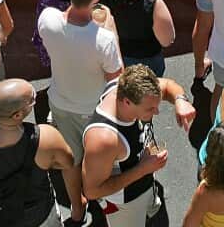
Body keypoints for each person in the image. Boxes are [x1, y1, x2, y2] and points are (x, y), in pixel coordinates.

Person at [0, 77, 86, 226]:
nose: (34, 99)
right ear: (17, 115)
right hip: (41, 215)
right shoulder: (46, 137)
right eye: (31, 100)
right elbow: (68, 162)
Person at [81, 65, 197, 227]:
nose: (156, 112)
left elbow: (168, 85)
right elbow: (92, 190)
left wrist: (180, 100)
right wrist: (142, 169)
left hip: (145, 178)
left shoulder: (125, 86)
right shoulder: (104, 140)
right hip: (125, 203)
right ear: (127, 102)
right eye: (150, 108)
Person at [38, 0, 123, 165]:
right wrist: (111, 30)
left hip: (59, 102)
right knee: (94, 160)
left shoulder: (47, 18)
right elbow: (116, 80)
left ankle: (76, 198)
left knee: (71, 159)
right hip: (93, 109)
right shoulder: (104, 39)